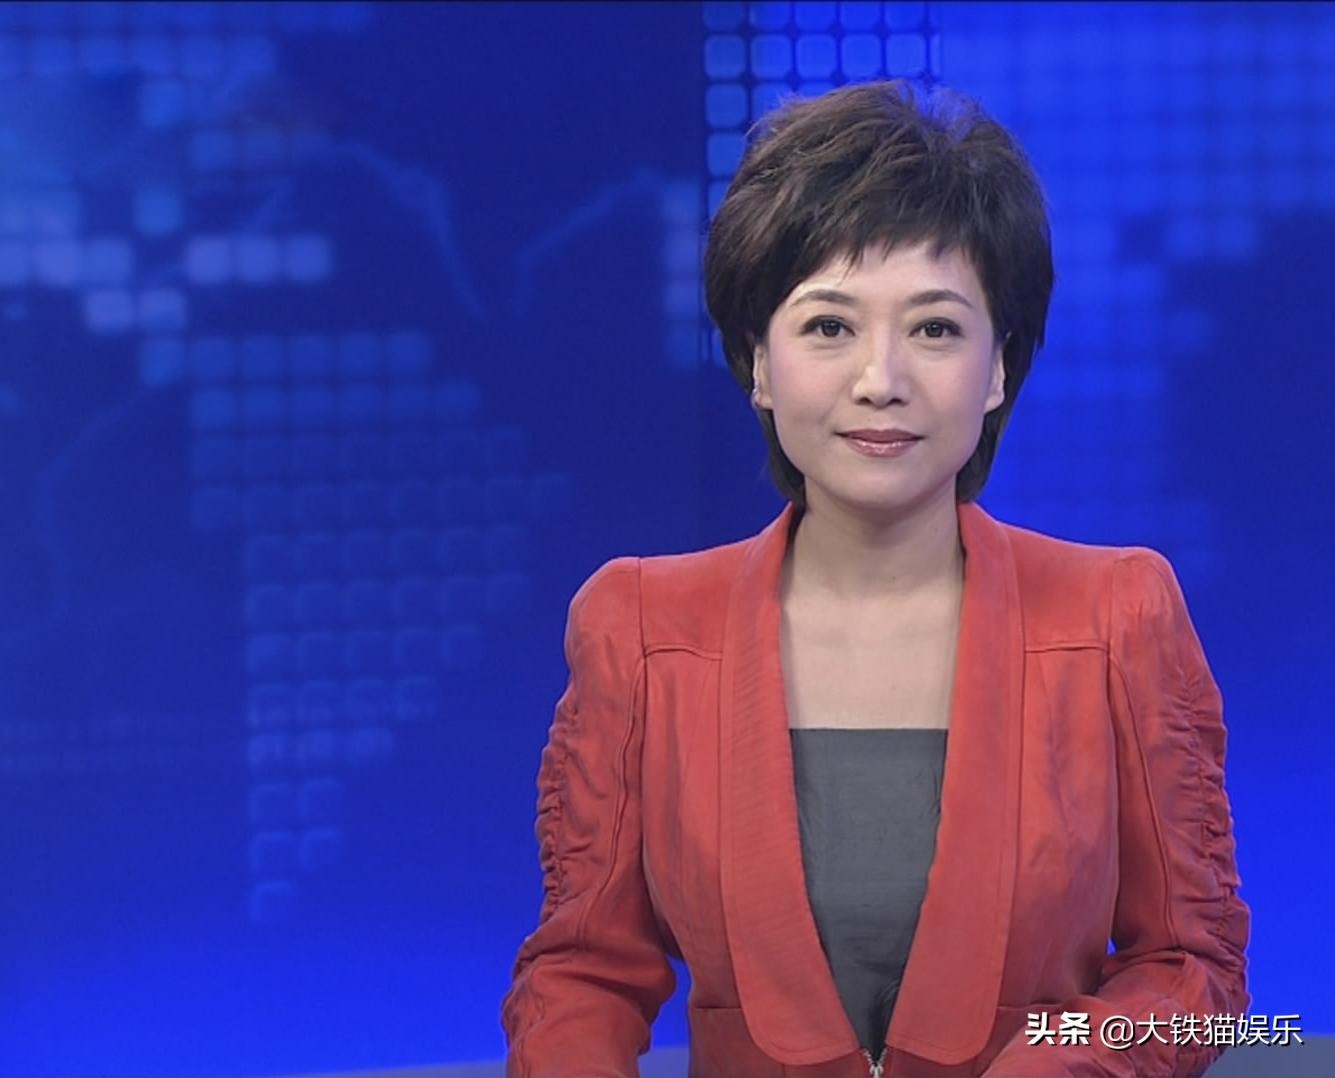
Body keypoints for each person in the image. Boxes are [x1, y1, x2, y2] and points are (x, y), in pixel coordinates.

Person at [499, 78, 1250, 1078]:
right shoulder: (640, 628)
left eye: (934, 328)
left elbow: (1189, 972)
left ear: (997, 368)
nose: (880, 380)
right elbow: (581, 973)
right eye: (828, 326)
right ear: (757, 363)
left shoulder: (1115, 615)